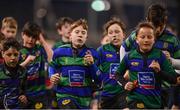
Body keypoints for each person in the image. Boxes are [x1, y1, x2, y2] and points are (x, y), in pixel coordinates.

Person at [120, 4, 180, 108]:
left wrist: (171, 61)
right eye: (154, 25)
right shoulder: (137, 35)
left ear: (165, 22)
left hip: (163, 88)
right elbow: (123, 48)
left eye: (161, 26)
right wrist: (126, 69)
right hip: (139, 88)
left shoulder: (172, 40)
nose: (157, 29)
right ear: (147, 20)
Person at [49, 19, 101, 109]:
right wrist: (52, 75)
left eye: (83, 33)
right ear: (70, 35)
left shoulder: (94, 54)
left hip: (84, 99)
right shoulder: (59, 51)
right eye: (77, 32)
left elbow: (98, 79)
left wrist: (92, 65)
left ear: (86, 37)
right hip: (64, 95)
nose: (80, 35)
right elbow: (52, 65)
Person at [19, 22, 53, 109]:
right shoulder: (17, 51)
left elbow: (52, 57)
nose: (31, 39)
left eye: (34, 37)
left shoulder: (39, 49)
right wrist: (26, 62)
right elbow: (14, 72)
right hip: (24, 95)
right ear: (23, 34)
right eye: (28, 36)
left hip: (40, 94)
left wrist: (42, 41)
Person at [97, 17, 127, 109]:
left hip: (125, 94)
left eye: (117, 32)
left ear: (124, 34)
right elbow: (93, 70)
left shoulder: (130, 51)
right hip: (107, 95)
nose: (114, 35)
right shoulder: (102, 50)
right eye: (110, 33)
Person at [0, 38, 27, 109]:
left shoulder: (23, 71)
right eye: (9, 54)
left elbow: (24, 90)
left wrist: (24, 96)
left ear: (19, 54)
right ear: (2, 53)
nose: (13, 58)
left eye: (15, 54)